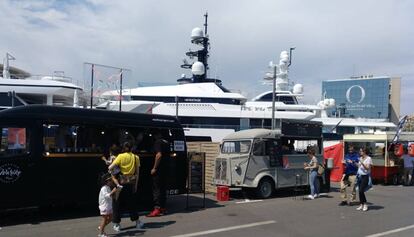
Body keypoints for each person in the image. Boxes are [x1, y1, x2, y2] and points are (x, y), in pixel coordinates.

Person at [108, 142, 143, 231]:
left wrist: (116, 169)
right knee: (131, 203)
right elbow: (137, 173)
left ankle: (117, 224)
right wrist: (136, 185)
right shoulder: (136, 157)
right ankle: (137, 222)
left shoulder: (120, 156)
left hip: (120, 183)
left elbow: (110, 167)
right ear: (132, 148)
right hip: (131, 182)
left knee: (117, 203)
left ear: (123, 148)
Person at [147, 130, 170, 217]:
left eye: (154, 134)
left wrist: (154, 168)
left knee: (156, 189)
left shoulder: (158, 142)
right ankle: (163, 208)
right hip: (166, 169)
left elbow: (159, 155)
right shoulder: (166, 142)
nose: (154, 136)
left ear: (158, 135)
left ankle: (156, 209)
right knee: (163, 189)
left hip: (159, 170)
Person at [356, 147, 372, 212]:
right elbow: (359, 167)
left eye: (361, 151)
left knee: (361, 190)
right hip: (359, 176)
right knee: (359, 190)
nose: (360, 152)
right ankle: (361, 204)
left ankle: (365, 204)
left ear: (364, 152)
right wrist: (353, 163)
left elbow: (367, 168)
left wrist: (362, 162)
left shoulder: (369, 158)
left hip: (365, 176)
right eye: (360, 151)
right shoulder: (360, 158)